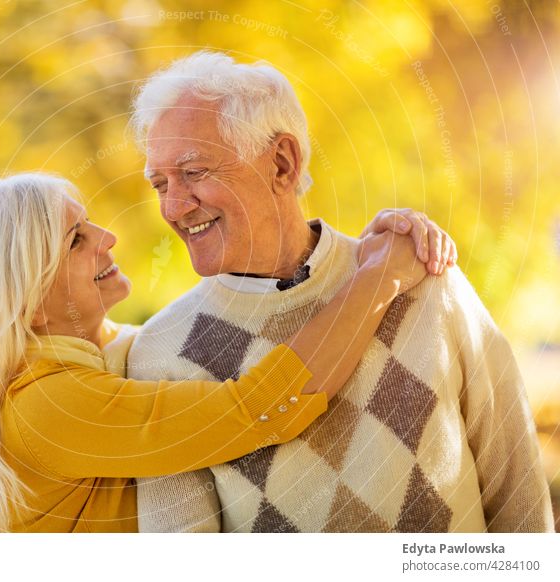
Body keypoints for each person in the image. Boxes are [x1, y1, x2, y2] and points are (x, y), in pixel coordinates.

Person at [130, 51, 553, 533]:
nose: (174, 206)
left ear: (282, 164)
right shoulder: (161, 354)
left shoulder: (426, 278)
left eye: (195, 172)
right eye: (159, 183)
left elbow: (518, 495)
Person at [0, 172, 453, 532]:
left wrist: (346, 261)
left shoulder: (109, 355)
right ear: (27, 302)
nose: (107, 237)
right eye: (76, 240)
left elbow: (252, 334)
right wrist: (377, 281)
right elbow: (255, 411)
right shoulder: (46, 407)